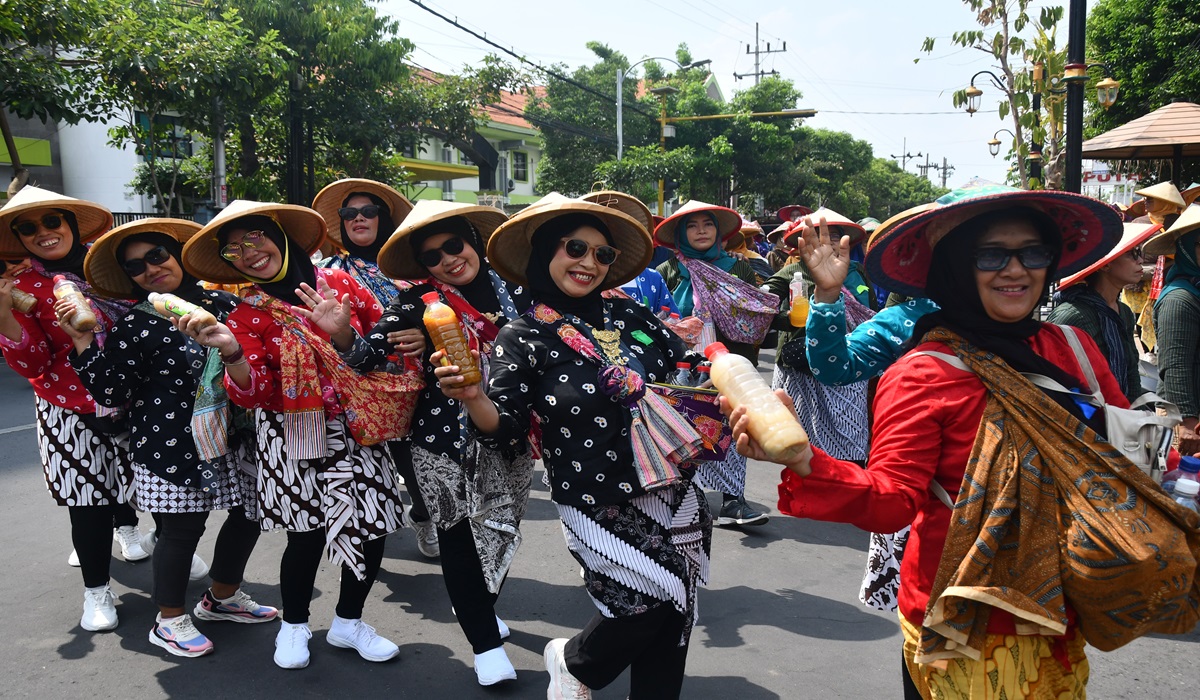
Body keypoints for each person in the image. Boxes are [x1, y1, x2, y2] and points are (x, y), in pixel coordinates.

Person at [741, 182, 1128, 698]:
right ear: (952, 264)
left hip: (1063, 605)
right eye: (990, 254)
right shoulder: (921, 368)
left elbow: (1118, 457)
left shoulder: (1073, 347)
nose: (1015, 270)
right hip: (967, 622)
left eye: (1032, 252)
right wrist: (807, 461)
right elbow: (891, 497)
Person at [435, 193, 711, 700]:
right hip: (593, 494)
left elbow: (687, 370)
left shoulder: (630, 316)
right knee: (641, 609)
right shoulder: (523, 335)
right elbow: (506, 427)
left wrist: (741, 393)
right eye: (576, 248)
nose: (589, 263)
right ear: (545, 253)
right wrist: (474, 397)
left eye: (603, 255)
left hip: (671, 484)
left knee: (674, 616)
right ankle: (575, 662)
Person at [179, 199, 419, 670]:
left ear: (279, 236)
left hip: (354, 426)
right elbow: (254, 394)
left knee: (369, 530)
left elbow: (386, 353)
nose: (247, 254)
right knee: (304, 535)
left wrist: (345, 337)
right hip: (289, 432)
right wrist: (231, 352)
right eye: (233, 251)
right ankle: (294, 626)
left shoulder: (342, 284)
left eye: (254, 239)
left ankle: (350, 623)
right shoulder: (246, 312)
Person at [57, 218, 277, 656]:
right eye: (136, 266)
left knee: (252, 513)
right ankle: (170, 619)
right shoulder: (136, 325)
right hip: (170, 442)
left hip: (238, 433)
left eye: (157, 255)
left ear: (176, 256)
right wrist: (83, 343)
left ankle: (222, 596)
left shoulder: (224, 304)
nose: (150, 269)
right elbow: (111, 390)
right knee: (182, 529)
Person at [341, 200, 533, 686]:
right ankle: (485, 646)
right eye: (432, 256)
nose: (448, 260)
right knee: (457, 536)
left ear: (473, 241)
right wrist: (343, 335)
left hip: (507, 434)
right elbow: (364, 357)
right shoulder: (418, 302)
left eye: (454, 245)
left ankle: (478, 606)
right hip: (439, 441)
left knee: (501, 532)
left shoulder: (519, 291)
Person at [0, 186, 148, 632]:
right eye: (29, 228)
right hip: (67, 405)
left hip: (132, 397)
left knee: (151, 482)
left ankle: (142, 534)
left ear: (70, 223)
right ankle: (96, 591)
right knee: (87, 501)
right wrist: (5, 315)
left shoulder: (107, 266)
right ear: (19, 238)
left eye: (52, 221)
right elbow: (33, 362)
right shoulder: (21, 286)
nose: (43, 233)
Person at [310, 179, 438, 559]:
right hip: (349, 385)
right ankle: (364, 537)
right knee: (358, 470)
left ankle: (422, 512)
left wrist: (423, 336)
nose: (359, 219)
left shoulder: (415, 273)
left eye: (369, 212)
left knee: (414, 465)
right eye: (350, 213)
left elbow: (441, 316)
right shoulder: (326, 271)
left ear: (384, 219)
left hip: (412, 383)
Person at [656, 200, 768, 526]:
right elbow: (658, 315)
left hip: (729, 359)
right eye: (692, 226)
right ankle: (681, 498)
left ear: (718, 231)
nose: (701, 230)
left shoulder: (737, 268)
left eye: (708, 224)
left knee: (732, 425)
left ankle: (734, 500)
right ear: (680, 233)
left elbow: (755, 315)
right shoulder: (667, 271)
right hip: (680, 363)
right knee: (682, 426)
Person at [762, 211, 873, 473]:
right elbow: (759, 307)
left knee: (851, 428)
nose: (828, 244)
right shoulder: (791, 272)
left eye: (835, 237)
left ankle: (852, 484)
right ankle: (807, 487)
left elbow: (871, 313)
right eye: (821, 237)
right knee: (803, 430)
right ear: (805, 242)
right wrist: (789, 321)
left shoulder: (858, 272)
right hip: (801, 366)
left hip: (850, 361)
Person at [1048, 221, 1161, 401]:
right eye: (1132, 254)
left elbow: (1131, 369)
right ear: (1106, 265)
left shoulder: (1123, 311)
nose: (1140, 260)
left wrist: (1131, 413)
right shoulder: (1072, 315)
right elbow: (1053, 377)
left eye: (1139, 253)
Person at [1149, 204, 1200, 456]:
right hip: (1186, 417)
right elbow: (1175, 364)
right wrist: (1187, 423)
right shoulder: (1179, 299)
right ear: (1188, 249)